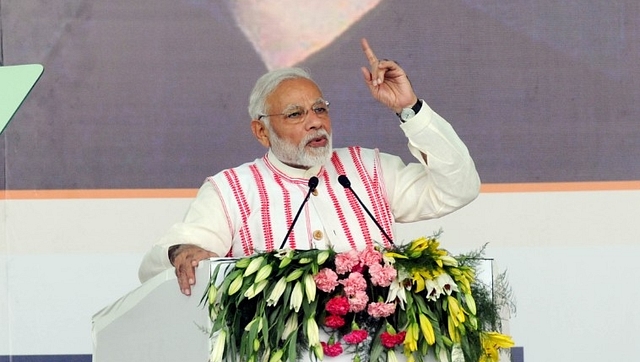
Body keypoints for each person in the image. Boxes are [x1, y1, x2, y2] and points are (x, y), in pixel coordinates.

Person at [138, 38, 481, 295]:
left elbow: (458, 188)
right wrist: (182, 252)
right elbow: (161, 261)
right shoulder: (231, 190)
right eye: (295, 114)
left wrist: (410, 109)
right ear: (261, 132)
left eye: (320, 109)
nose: (315, 122)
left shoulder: (368, 168)